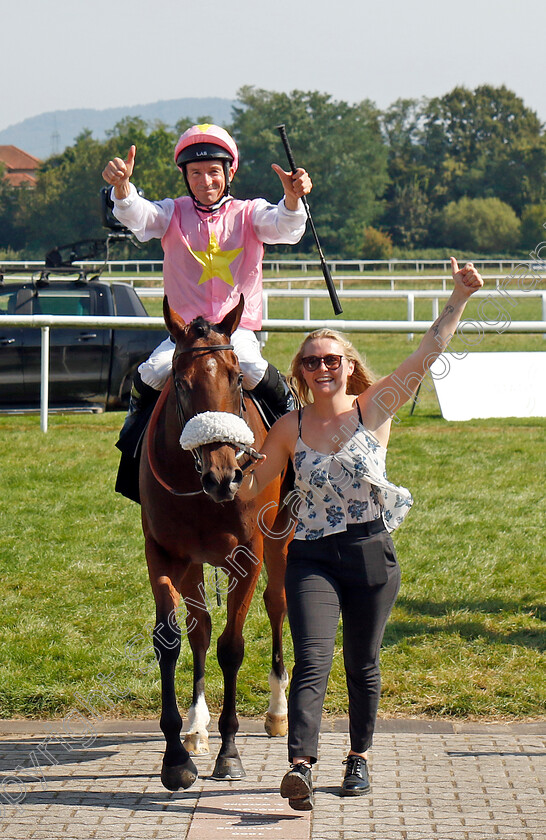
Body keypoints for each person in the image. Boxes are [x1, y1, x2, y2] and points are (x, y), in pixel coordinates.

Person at [237, 257, 484, 809]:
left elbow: (428, 353)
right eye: (310, 361)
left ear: (348, 366)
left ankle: (359, 757)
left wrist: (459, 299)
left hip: (371, 551)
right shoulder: (288, 426)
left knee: (362, 661)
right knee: (312, 657)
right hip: (311, 557)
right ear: (299, 373)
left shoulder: (375, 408)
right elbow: (250, 489)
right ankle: (300, 763)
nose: (322, 367)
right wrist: (223, 466)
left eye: (331, 359)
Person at [101, 123, 312, 445]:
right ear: (185, 177)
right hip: (185, 334)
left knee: (253, 368)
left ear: (229, 174)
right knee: (153, 372)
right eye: (195, 173)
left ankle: (296, 433)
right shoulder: (172, 212)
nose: (205, 181)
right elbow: (139, 216)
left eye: (213, 171)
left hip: (233, 332)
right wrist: (123, 188)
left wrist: (292, 199)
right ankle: (132, 438)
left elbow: (285, 228)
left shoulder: (250, 212)